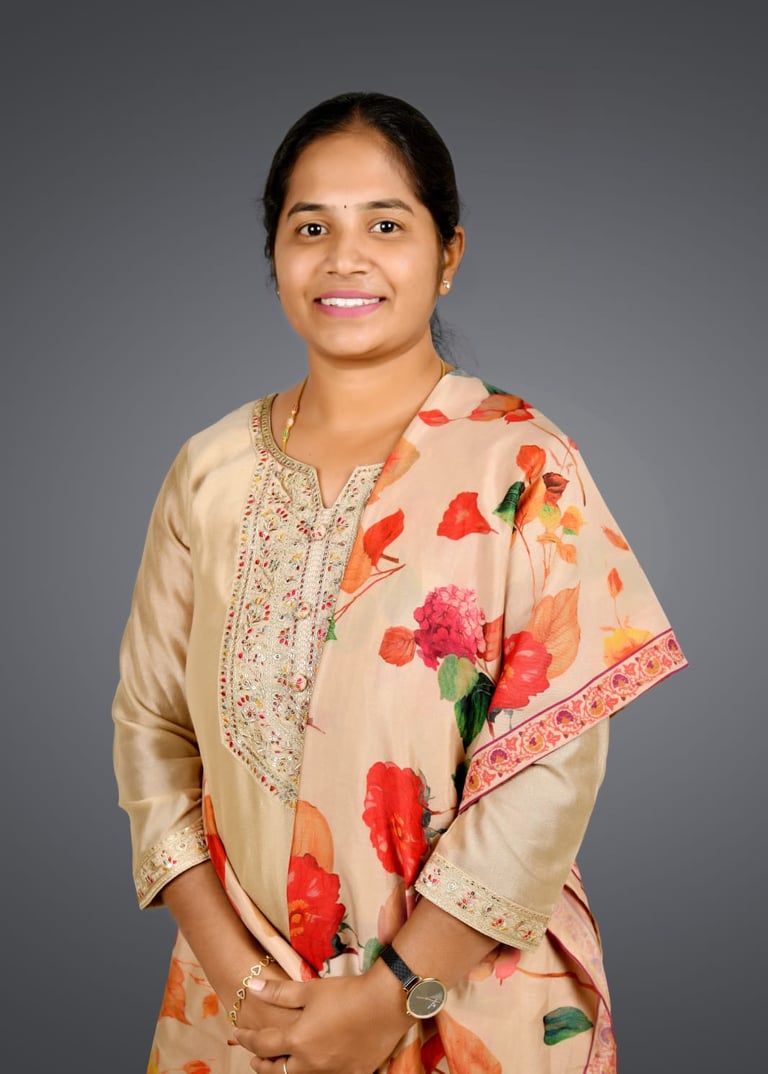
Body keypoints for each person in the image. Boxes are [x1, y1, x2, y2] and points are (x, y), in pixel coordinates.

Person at [113, 91, 687, 1074]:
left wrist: (393, 996)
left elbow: (549, 768)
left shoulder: (522, 464)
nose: (345, 259)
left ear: (447, 254)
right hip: (241, 1016)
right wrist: (241, 981)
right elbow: (151, 730)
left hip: (468, 1002)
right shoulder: (209, 471)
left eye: (385, 224)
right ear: (275, 254)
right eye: (311, 228)